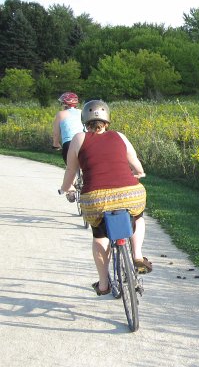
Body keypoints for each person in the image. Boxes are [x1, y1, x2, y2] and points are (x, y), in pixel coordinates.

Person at [59, 100, 152, 296]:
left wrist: (65, 189)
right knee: (138, 218)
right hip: (129, 193)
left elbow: (71, 170)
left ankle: (103, 284)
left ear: (85, 120)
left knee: (100, 237)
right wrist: (140, 172)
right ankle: (137, 254)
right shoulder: (119, 136)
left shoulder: (79, 138)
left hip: (96, 199)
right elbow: (134, 161)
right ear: (107, 120)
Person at [52, 92, 84, 164]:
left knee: (70, 170)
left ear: (64, 103)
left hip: (69, 143)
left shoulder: (60, 114)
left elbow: (56, 133)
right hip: (84, 142)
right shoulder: (82, 112)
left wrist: (55, 144)